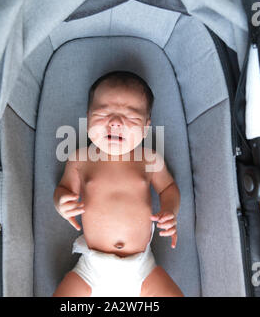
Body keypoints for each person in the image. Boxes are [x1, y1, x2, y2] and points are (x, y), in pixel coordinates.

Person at [53, 71, 183, 297]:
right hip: (92, 268)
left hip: (142, 268)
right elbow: (63, 190)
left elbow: (168, 188)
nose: (115, 123)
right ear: (88, 117)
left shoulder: (149, 159)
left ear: (145, 127)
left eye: (131, 117)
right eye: (104, 113)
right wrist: (62, 203)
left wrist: (169, 211)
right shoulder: (80, 158)